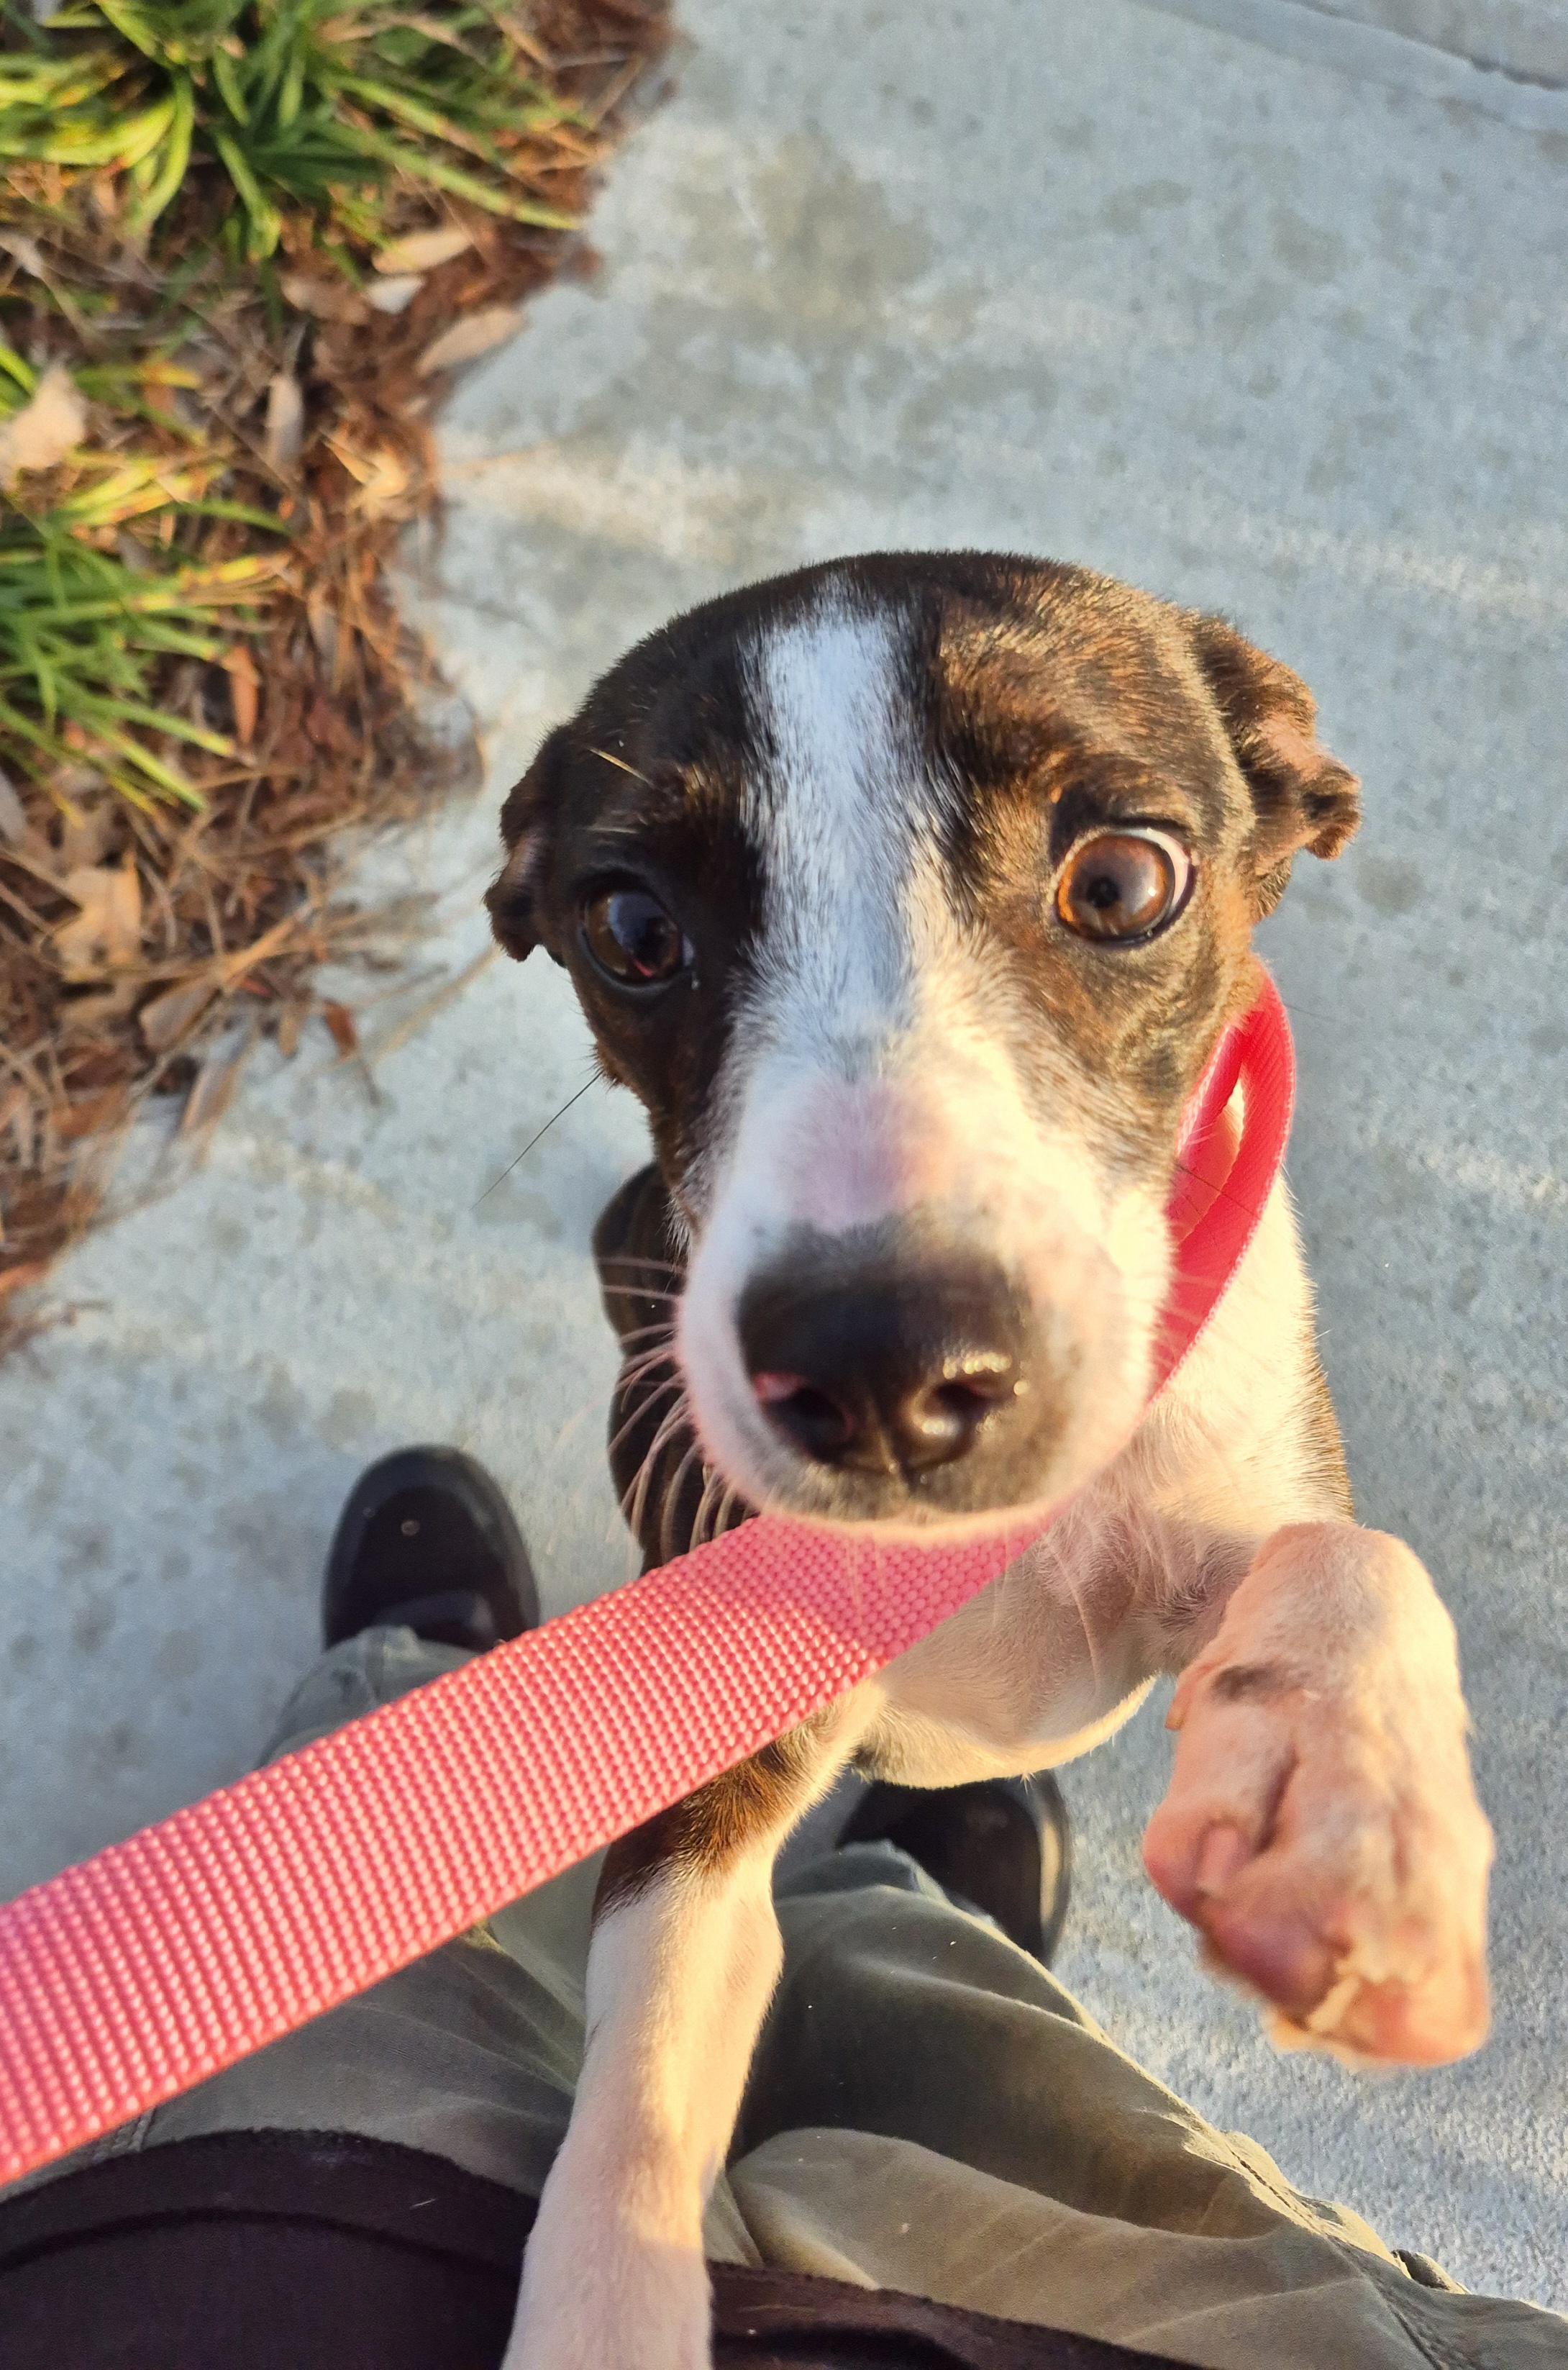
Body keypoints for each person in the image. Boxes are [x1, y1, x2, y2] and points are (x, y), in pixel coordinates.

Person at [1, 1448, 1562, 2370]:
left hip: (279, 2298)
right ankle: (903, 1923)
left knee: (389, 1953)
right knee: (978, 2075)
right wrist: (1347, 1620)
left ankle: (430, 1684)